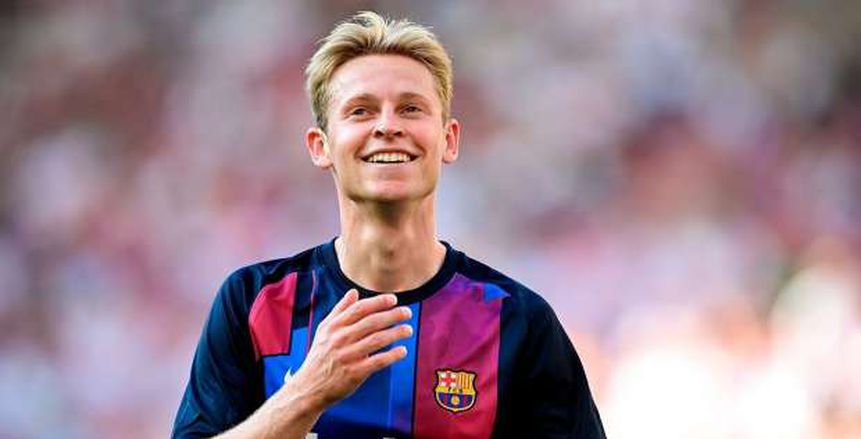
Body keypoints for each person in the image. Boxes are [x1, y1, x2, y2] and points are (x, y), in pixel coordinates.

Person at [172, 11, 605, 439]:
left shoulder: (516, 321)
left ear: (449, 139)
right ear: (321, 146)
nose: (387, 126)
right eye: (361, 111)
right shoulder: (254, 302)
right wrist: (306, 393)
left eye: (410, 109)